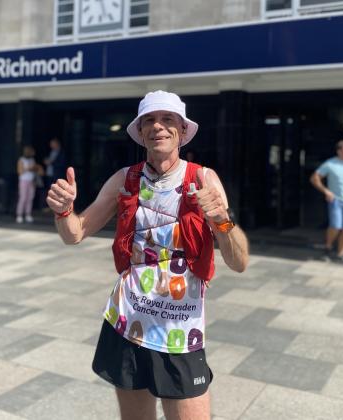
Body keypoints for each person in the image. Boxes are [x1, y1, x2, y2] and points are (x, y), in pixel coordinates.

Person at [46, 90, 249, 420]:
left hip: (180, 328)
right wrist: (64, 210)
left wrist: (221, 220)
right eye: (149, 121)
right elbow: (76, 232)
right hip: (128, 320)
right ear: (140, 132)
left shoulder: (202, 178)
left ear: (182, 130)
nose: (158, 127)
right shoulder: (124, 179)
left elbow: (238, 262)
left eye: (168, 119)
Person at [310, 140, 343, 264]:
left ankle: (341, 253)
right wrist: (326, 191)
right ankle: (328, 247)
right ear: (339, 151)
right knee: (336, 226)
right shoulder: (330, 164)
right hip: (336, 200)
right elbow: (314, 178)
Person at [16, 145, 38, 223]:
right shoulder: (21, 159)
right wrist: (28, 168)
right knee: (23, 197)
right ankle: (19, 215)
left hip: (31, 180)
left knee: (30, 198)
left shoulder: (32, 160)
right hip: (23, 181)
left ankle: (28, 214)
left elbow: (35, 169)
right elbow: (19, 171)